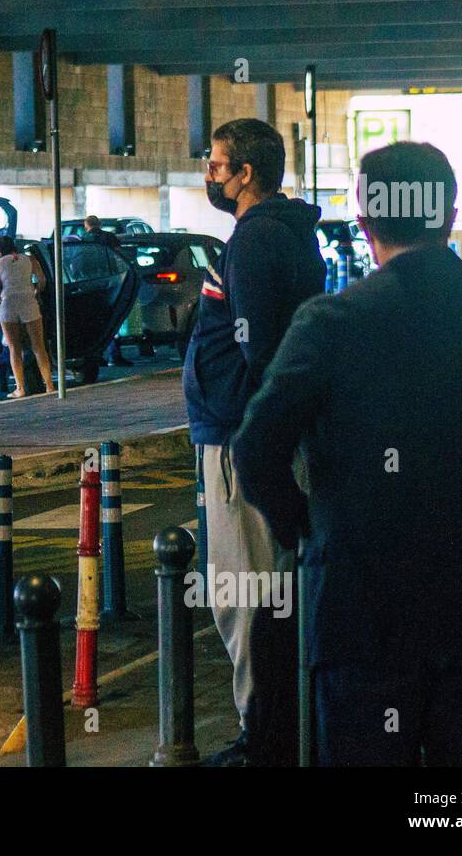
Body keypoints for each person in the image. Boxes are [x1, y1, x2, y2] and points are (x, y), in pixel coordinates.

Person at [233, 141, 462, 766]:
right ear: (450, 214)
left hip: (363, 605)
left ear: (365, 224)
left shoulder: (330, 322)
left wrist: (309, 529)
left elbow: (255, 449)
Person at [182, 117, 326, 766]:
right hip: (242, 435)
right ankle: (277, 731)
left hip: (240, 440)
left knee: (245, 598)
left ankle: (264, 743)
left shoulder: (257, 241)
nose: (209, 174)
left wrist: (258, 445)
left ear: (246, 173)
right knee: (260, 594)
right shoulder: (277, 235)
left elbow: (264, 352)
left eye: (216, 165)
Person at [0, 235, 54, 397]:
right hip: (29, 303)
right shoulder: (30, 259)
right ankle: (49, 385)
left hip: (8, 305)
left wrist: (7, 294)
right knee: (38, 347)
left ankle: (20, 388)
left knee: (14, 348)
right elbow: (42, 281)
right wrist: (34, 291)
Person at [80, 215, 130, 367]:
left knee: (94, 321)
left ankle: (96, 355)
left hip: (90, 283)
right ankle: (114, 355)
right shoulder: (109, 237)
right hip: (110, 282)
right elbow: (120, 256)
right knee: (111, 319)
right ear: (99, 224)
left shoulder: (83, 239)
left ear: (86, 226)